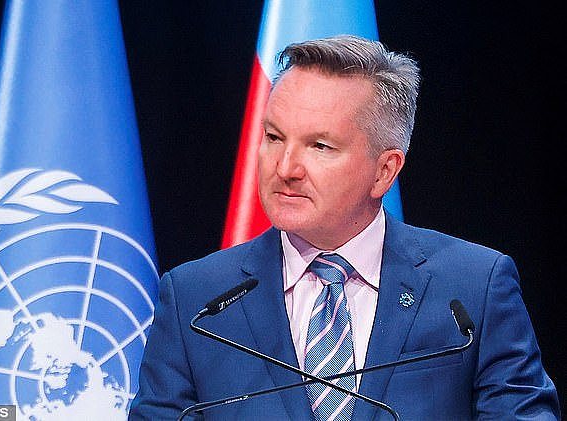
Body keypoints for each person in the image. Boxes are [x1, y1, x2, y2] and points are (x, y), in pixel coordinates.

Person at [129, 36, 559, 420]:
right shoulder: (196, 300)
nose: (286, 168)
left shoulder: (473, 290)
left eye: (320, 146)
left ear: (384, 171)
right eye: (275, 137)